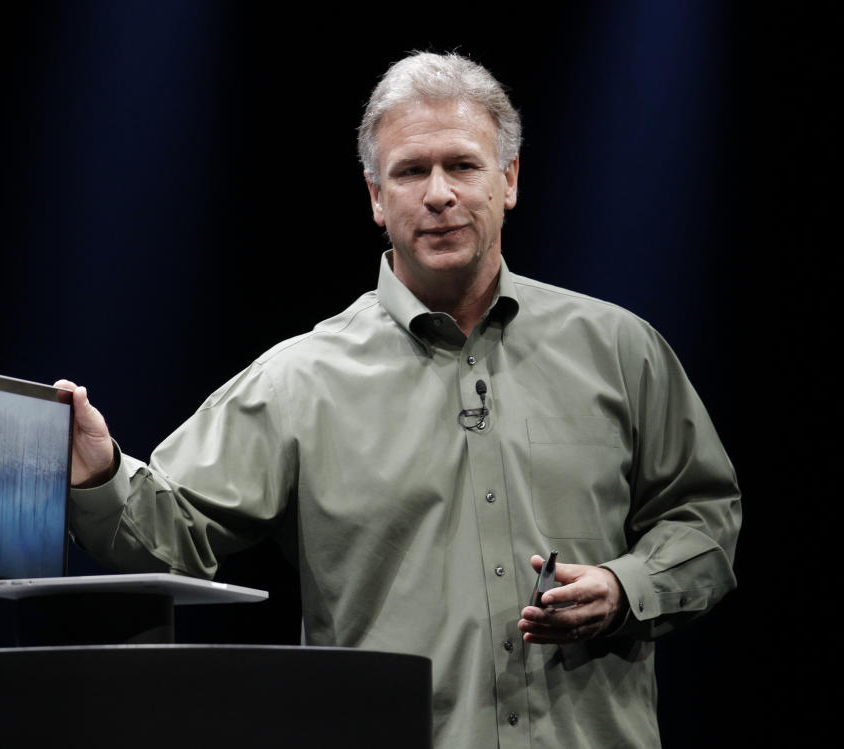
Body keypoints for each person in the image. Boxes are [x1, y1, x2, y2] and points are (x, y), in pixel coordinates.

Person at [61, 52, 741, 748]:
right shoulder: (301, 378)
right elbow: (168, 530)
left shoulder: (619, 349)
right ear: (376, 198)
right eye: (411, 171)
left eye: (462, 165)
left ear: (507, 179)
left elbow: (704, 518)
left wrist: (625, 586)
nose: (438, 193)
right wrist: (99, 469)